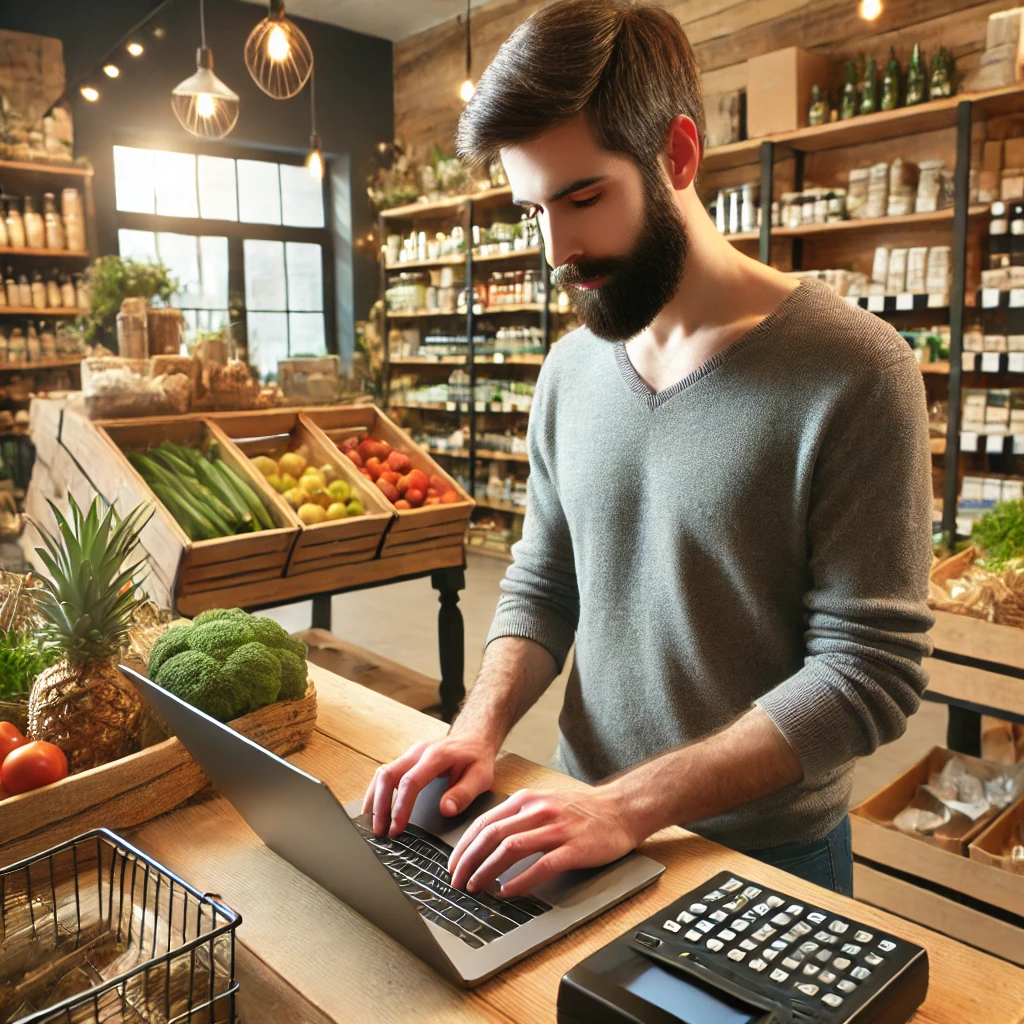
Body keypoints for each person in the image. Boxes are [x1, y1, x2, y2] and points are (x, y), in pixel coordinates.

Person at [363, 0, 933, 900]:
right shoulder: (567, 372)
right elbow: (547, 583)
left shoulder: (857, 370)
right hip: (570, 824)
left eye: (584, 197)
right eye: (532, 211)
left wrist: (632, 805)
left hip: (760, 866)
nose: (559, 248)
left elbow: (869, 672)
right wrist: (476, 727)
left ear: (677, 155)